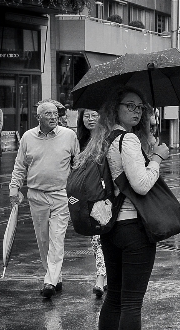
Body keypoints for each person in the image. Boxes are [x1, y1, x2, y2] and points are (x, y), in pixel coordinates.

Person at [73, 86, 169, 330]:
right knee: (130, 302)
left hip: (110, 229)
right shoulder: (126, 140)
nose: (137, 111)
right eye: (130, 106)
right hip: (133, 230)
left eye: (141, 107)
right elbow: (140, 185)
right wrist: (156, 158)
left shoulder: (103, 140)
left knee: (114, 297)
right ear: (116, 108)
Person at [9, 100, 80, 298]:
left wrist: (78, 190)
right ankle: (55, 275)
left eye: (55, 113)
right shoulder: (27, 137)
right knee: (43, 240)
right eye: (48, 114)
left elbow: (78, 163)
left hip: (60, 195)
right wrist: (14, 188)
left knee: (57, 238)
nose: (53, 116)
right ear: (38, 117)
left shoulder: (69, 136)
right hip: (36, 196)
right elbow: (20, 166)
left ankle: (49, 281)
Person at [77, 108, 107, 297]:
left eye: (94, 115)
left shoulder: (107, 139)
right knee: (96, 239)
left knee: (106, 238)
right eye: (86, 115)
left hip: (107, 196)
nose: (90, 119)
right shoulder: (78, 141)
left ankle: (103, 277)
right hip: (89, 197)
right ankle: (100, 277)